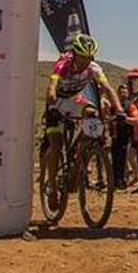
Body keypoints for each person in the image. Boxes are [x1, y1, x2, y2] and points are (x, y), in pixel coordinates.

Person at [43, 34, 124, 210]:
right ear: (75, 54)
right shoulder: (63, 64)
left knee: (92, 113)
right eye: (82, 57)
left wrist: (120, 111)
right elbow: (51, 87)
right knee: (56, 145)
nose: (86, 61)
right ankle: (53, 188)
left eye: (89, 57)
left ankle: (79, 159)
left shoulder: (94, 68)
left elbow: (108, 88)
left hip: (74, 99)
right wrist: (52, 104)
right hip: (56, 101)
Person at [111, 84, 133, 189]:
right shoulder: (114, 104)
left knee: (124, 160)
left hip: (126, 136)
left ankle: (123, 180)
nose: (122, 94)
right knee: (115, 159)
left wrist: (125, 119)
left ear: (128, 93)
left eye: (124, 92)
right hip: (114, 136)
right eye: (120, 92)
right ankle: (115, 181)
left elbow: (136, 120)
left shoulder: (130, 105)